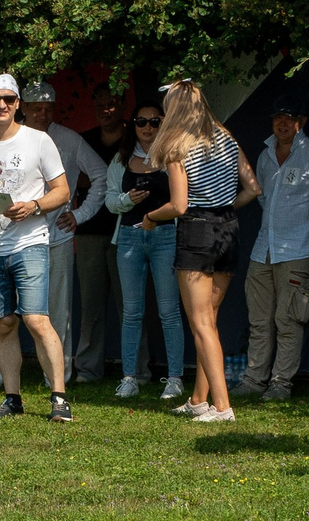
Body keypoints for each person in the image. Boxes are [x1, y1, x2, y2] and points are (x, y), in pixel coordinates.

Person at [136, 80, 258, 423]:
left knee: (201, 322)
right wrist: (224, 209)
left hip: (196, 231)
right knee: (211, 322)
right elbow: (252, 188)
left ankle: (222, 407)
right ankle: (199, 399)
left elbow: (178, 204)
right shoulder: (226, 139)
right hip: (228, 229)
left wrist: (149, 217)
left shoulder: (176, 146)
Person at [0, 74, 73, 421]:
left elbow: (61, 191)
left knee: (35, 318)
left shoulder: (38, 141)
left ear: (18, 103)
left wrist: (34, 207)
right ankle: (12, 398)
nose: (1, 105)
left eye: (8, 98)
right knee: (3, 324)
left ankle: (59, 398)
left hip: (29, 242)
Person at [242, 101, 309, 401]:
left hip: (300, 249)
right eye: (277, 118)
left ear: (301, 121)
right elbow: (264, 199)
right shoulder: (265, 155)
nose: (282, 124)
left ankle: (280, 384)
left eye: (288, 118)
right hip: (264, 248)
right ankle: (253, 380)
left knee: (289, 320)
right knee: (259, 320)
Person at [103, 92, 189, 400]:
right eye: (142, 122)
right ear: (133, 125)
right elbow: (110, 201)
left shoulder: (173, 157)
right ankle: (129, 378)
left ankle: (175, 378)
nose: (148, 128)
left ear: (164, 124)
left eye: (155, 121)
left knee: (169, 311)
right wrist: (128, 200)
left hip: (166, 237)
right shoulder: (121, 159)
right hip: (129, 237)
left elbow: (184, 201)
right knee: (132, 312)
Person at [21, 83, 105, 379]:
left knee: (59, 309)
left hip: (57, 236)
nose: (42, 114)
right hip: (17, 238)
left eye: (48, 109)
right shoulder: (12, 138)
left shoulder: (68, 139)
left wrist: (79, 214)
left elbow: (101, 176)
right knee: (11, 310)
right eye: (36, 108)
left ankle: (59, 377)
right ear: (23, 108)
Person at [69, 90, 132, 382]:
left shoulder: (135, 135)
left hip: (128, 230)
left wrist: (94, 178)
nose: (106, 110)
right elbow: (72, 178)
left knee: (130, 305)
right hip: (90, 232)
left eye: (111, 104)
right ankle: (88, 370)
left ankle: (135, 370)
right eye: (100, 105)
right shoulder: (86, 140)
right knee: (90, 306)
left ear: (122, 106)